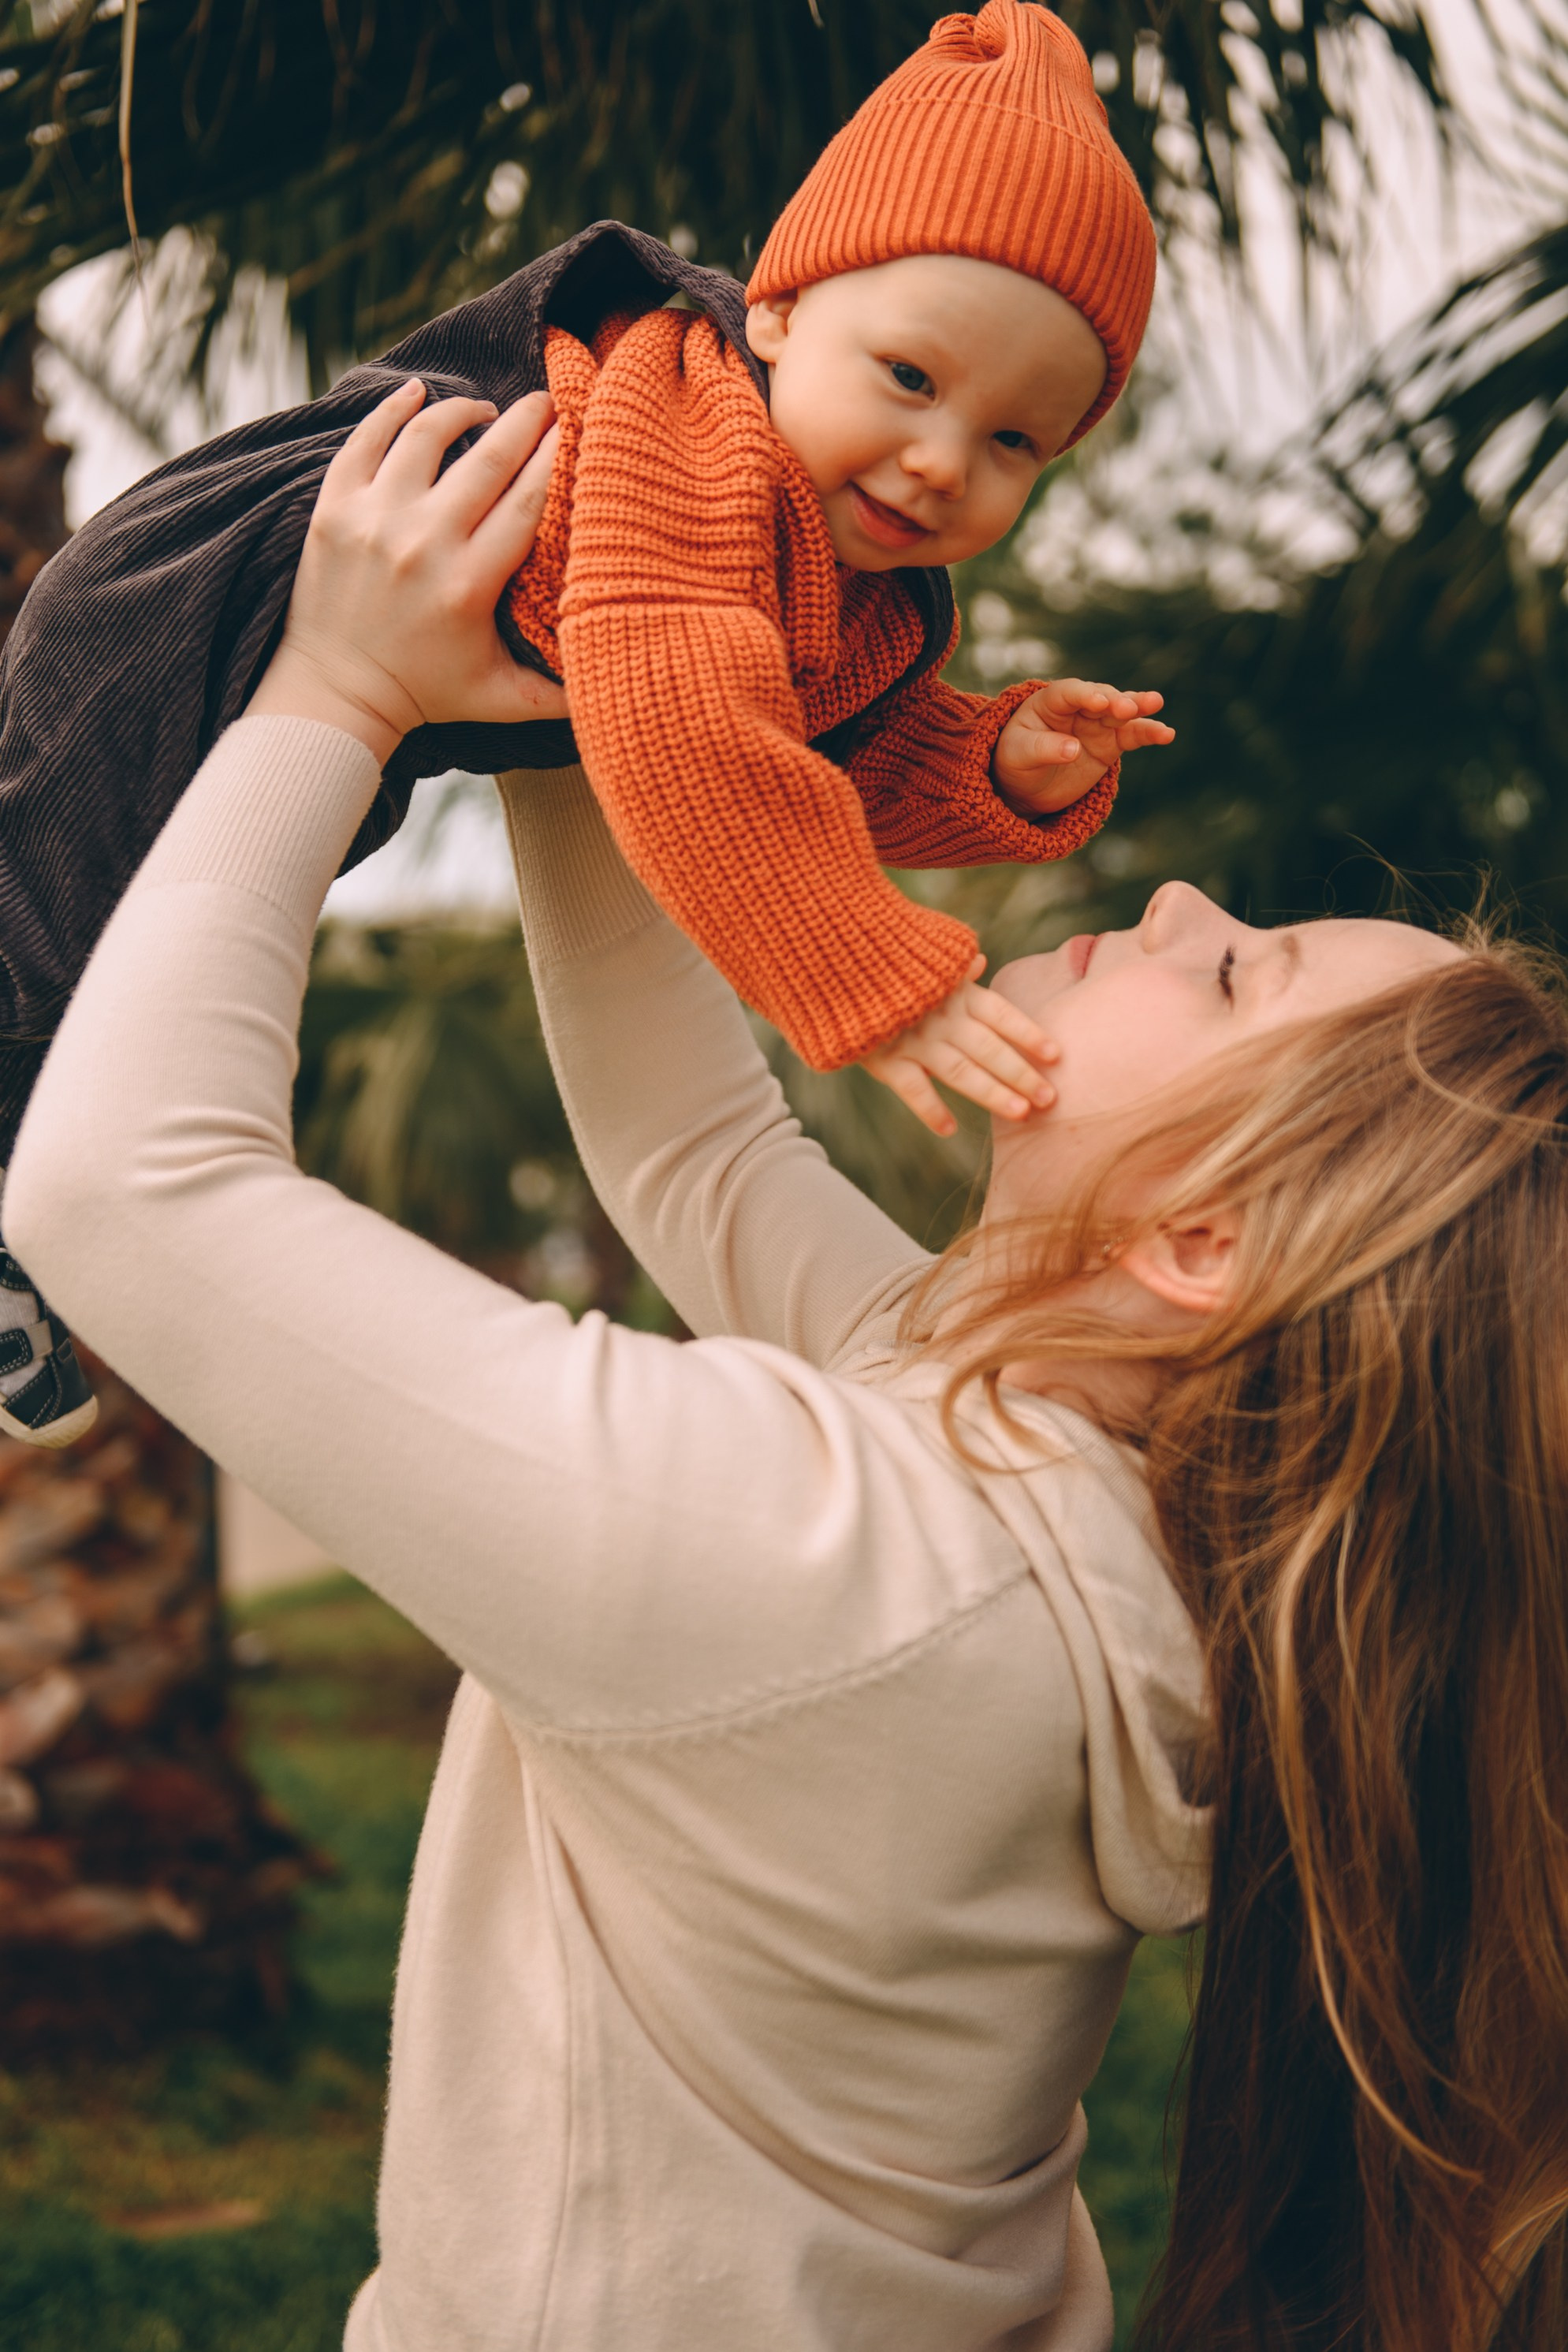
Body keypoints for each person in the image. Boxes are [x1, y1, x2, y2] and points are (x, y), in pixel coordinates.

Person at [9, 386, 1566, 2352]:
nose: (1171, 904)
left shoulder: (851, 1577)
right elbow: (695, 1148)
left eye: (1236, 968)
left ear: (1196, 1248)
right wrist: (619, 645)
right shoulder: (1036, 1476)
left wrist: (335, 686)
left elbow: (121, 1188)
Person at [0, 0, 1175, 1444]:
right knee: (49, 925)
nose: (942, 462)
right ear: (779, 311)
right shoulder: (701, 426)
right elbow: (682, 713)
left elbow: (817, 752)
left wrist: (992, 760)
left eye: (1013, 442)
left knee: (138, 958)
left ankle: (22, 1233)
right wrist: (875, 976)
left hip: (382, 684)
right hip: (216, 589)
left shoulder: (862, 587)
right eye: (912, 380)